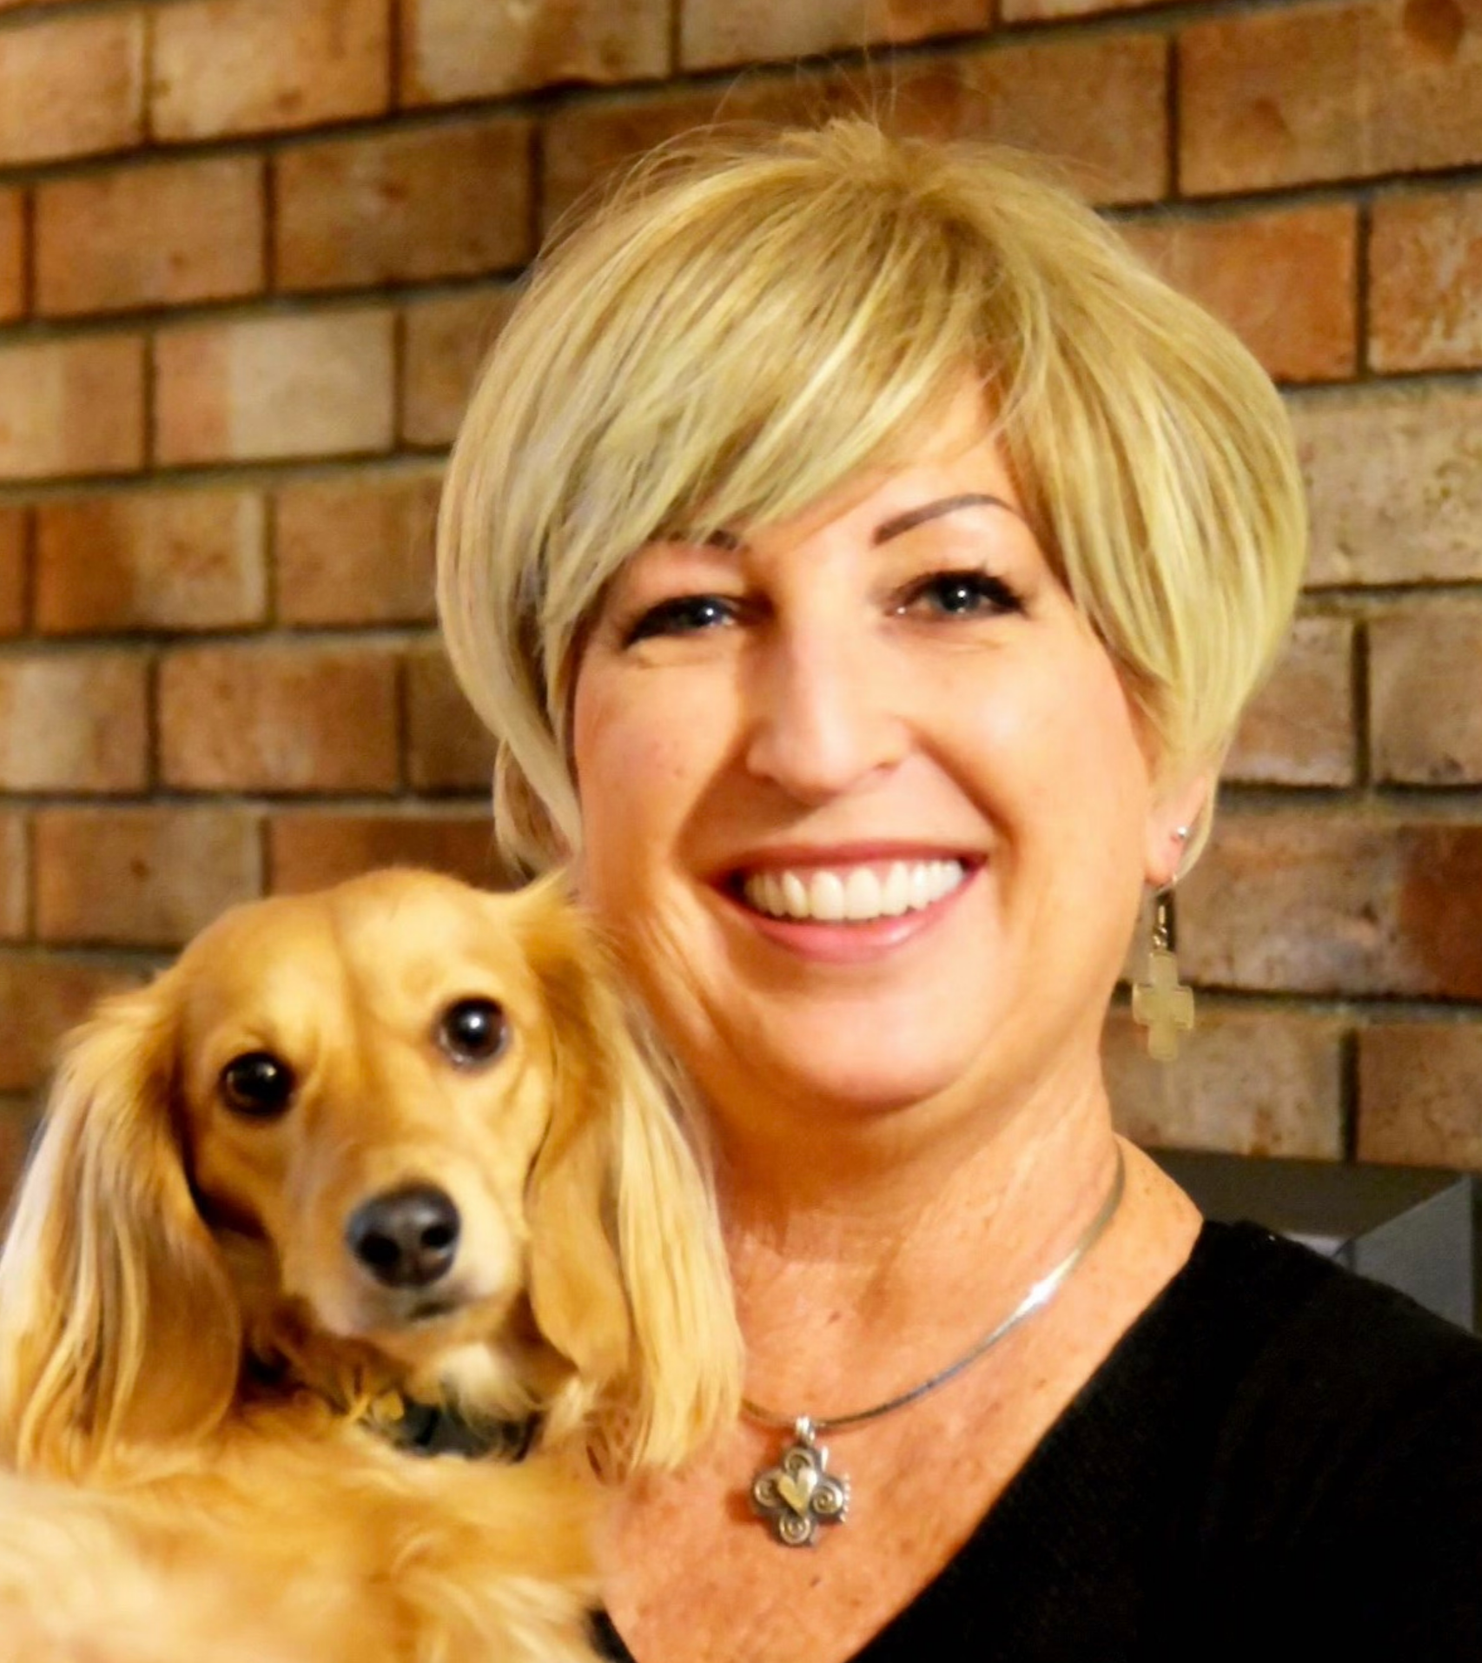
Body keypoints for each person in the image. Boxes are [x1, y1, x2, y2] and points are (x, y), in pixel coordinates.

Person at [435, 121, 1482, 1661]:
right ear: (554, 784)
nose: (818, 737)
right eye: (695, 606)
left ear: (1170, 759)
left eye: (954, 589)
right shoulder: (297, 1447)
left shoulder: (1417, 1503)